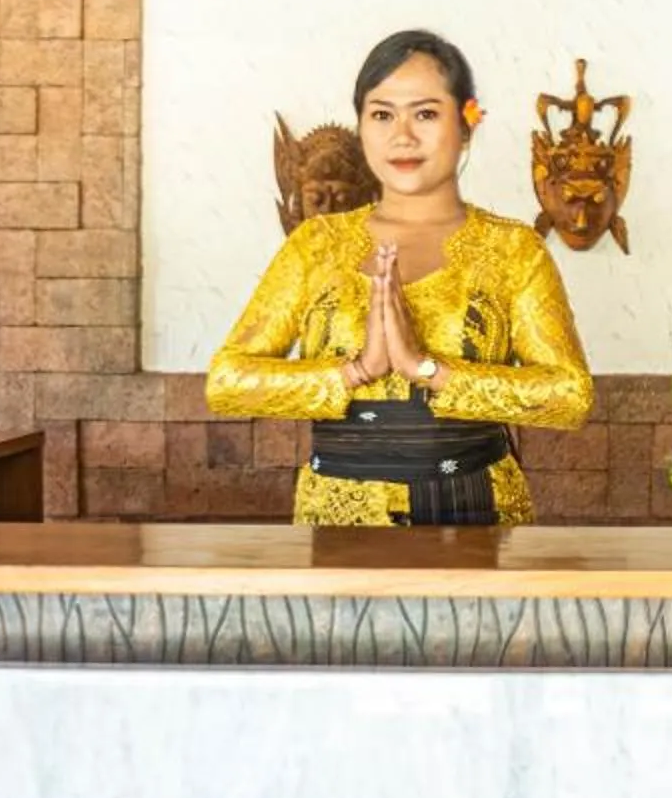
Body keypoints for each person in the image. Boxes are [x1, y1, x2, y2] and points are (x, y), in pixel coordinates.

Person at [207, 29, 593, 525]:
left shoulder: (513, 249)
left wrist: (427, 369)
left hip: (479, 508)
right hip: (338, 514)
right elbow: (227, 381)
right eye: (382, 114)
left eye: (426, 114)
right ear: (362, 126)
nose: (402, 135)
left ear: (468, 122)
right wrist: (356, 370)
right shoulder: (316, 244)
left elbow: (570, 396)